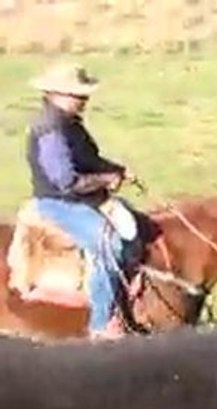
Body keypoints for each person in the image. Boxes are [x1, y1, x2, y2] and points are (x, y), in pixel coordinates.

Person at [25, 62, 140, 340]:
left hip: (83, 199)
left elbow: (91, 161)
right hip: (59, 203)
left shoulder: (70, 124)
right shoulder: (51, 130)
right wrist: (106, 180)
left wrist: (118, 171)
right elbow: (66, 182)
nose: (84, 100)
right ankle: (100, 326)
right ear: (57, 95)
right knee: (108, 245)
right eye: (79, 95)